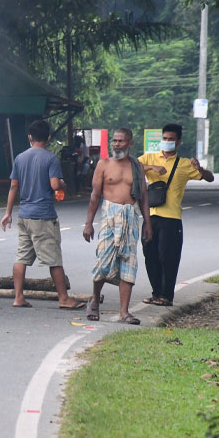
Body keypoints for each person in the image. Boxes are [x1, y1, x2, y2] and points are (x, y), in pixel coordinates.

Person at [0, 119, 87, 309]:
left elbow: (14, 186)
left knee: (21, 257)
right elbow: (55, 185)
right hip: (43, 215)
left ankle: (18, 297)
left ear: (29, 137)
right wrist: (63, 184)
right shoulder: (51, 158)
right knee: (54, 258)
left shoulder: (20, 158)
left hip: (24, 214)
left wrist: (7, 213)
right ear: (48, 138)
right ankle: (64, 299)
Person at [138, 123, 214, 307]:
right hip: (150, 216)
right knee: (150, 255)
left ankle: (166, 296)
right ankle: (156, 293)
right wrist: (151, 167)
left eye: (171, 139)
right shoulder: (149, 157)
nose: (167, 142)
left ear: (178, 142)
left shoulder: (185, 164)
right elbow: (129, 168)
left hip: (171, 218)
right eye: (164, 138)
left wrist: (201, 169)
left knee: (168, 257)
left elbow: (210, 178)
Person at [82, 128, 152, 324]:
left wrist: (147, 223)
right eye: (114, 141)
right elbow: (95, 196)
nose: (116, 144)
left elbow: (144, 196)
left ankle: (124, 313)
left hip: (131, 217)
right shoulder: (103, 165)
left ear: (129, 143)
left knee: (129, 264)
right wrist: (88, 223)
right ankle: (95, 300)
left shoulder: (136, 166)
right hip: (109, 218)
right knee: (103, 263)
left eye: (121, 141)